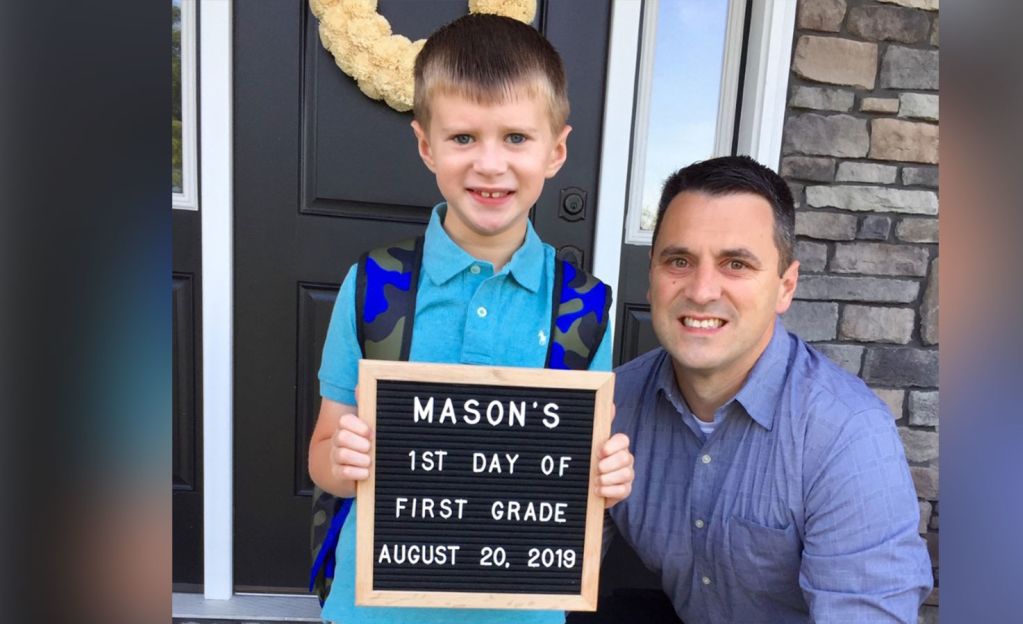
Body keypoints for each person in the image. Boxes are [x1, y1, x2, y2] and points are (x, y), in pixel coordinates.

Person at [308, 14, 635, 624]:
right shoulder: (376, 287)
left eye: (516, 137)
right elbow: (323, 451)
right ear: (426, 145)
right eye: (463, 138)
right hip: (372, 607)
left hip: (523, 608)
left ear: (556, 150)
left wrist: (608, 477)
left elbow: (582, 473)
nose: (490, 164)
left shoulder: (582, 310)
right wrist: (342, 462)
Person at [606, 156, 933, 623]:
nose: (701, 290)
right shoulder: (614, 405)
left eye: (735, 264)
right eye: (679, 260)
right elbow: (544, 569)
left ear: (785, 287)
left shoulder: (844, 433)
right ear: (652, 276)